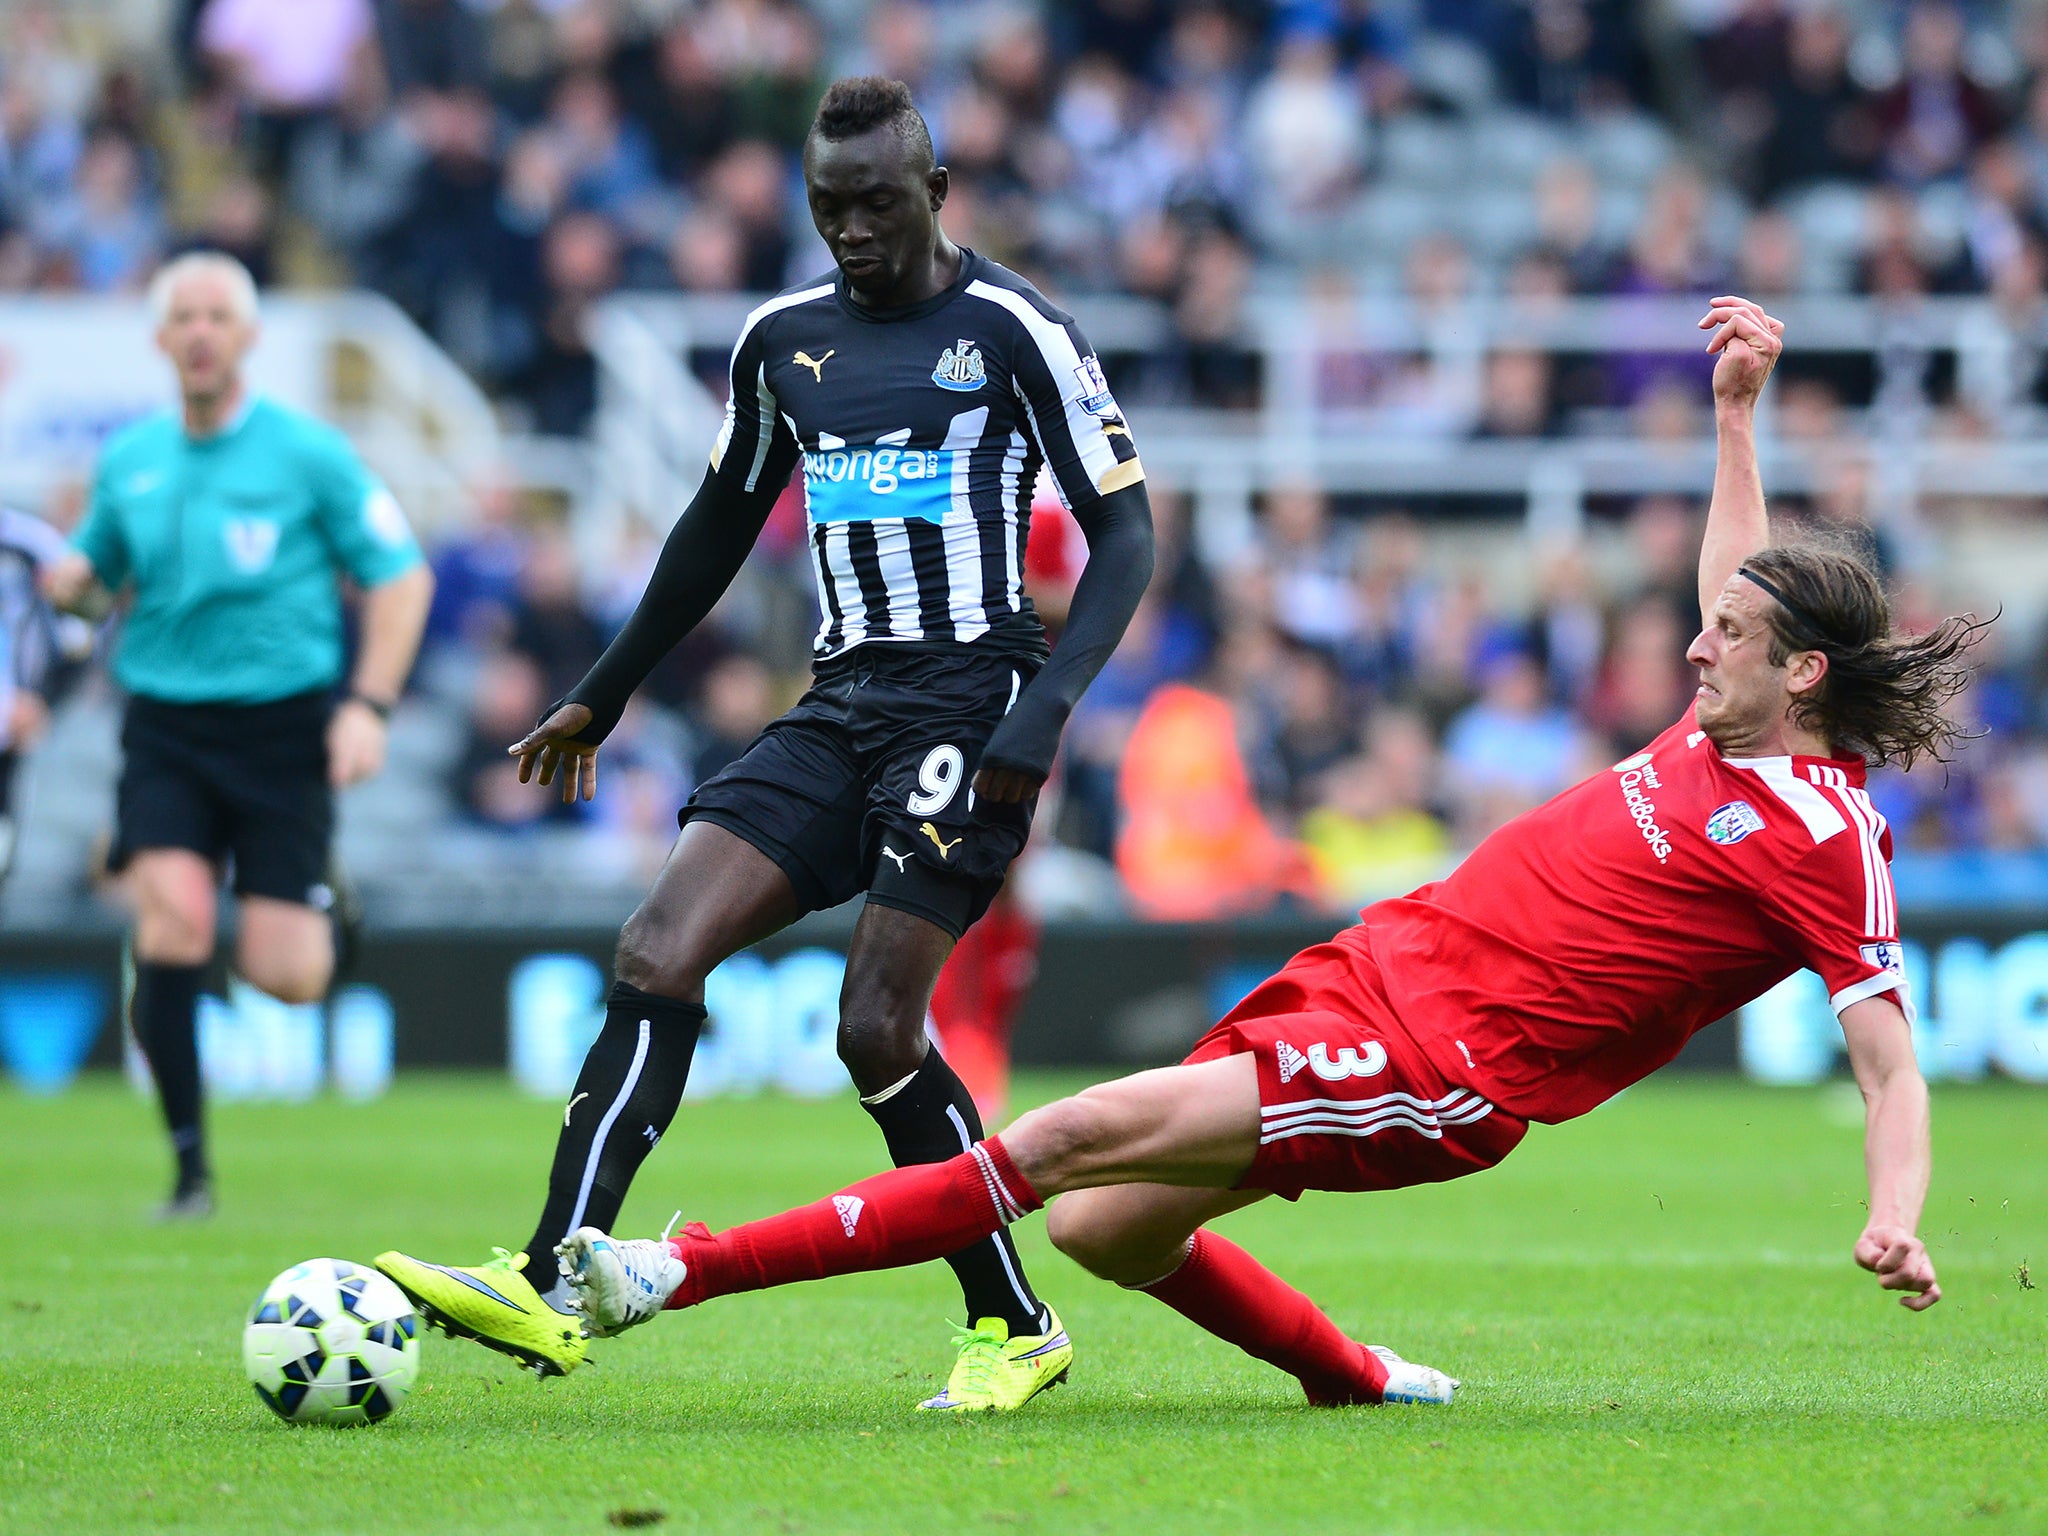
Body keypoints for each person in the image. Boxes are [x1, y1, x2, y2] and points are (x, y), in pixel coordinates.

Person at [553, 296, 1971, 1409]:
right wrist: (1738, 415)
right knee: (1103, 1232)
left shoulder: (1823, 837)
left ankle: (667, 1272)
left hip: (1443, 1061)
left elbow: (1891, 1059)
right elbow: (1740, 568)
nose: (1690, 640)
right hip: (1381, 965)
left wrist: (1892, 1214)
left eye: (1727, 638)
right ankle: (1357, 1378)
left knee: (1060, 1138)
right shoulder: (1726, 725)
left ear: (1804, 679)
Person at [375, 77, 1155, 1412]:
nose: (850, 229)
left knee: (874, 1024)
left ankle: (1014, 1323)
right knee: (655, 948)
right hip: (839, 703)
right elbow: (717, 522)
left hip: (972, 702)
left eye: (876, 203)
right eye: (828, 206)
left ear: (937, 195)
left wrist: (1045, 709)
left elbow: (1128, 535)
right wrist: (605, 689)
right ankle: (554, 1273)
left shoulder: (1019, 330)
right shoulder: (782, 342)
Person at [42, 251, 434, 1219]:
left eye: (220, 315)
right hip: (167, 726)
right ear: (162, 340)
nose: (203, 331)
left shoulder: (308, 453)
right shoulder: (130, 459)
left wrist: (368, 705)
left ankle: (324, 909)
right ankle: (189, 1172)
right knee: (170, 920)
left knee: (287, 975)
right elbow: (94, 583)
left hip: (282, 732)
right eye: (186, 316)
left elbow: (400, 576)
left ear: (248, 337)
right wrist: (73, 587)